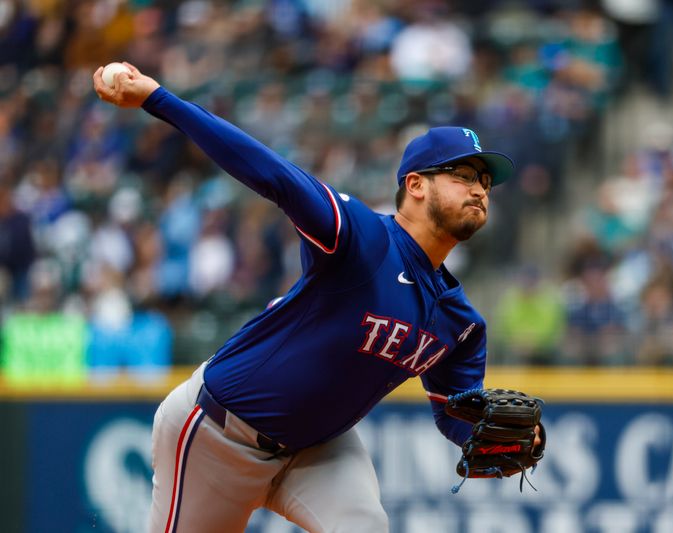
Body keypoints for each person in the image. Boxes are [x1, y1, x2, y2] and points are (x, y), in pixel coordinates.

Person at [93, 62, 542, 533]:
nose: (479, 189)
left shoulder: (461, 322)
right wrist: (157, 98)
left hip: (319, 448)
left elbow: (457, 414)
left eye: (485, 182)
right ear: (415, 184)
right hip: (218, 432)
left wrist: (517, 439)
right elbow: (274, 174)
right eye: (463, 175)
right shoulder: (363, 239)